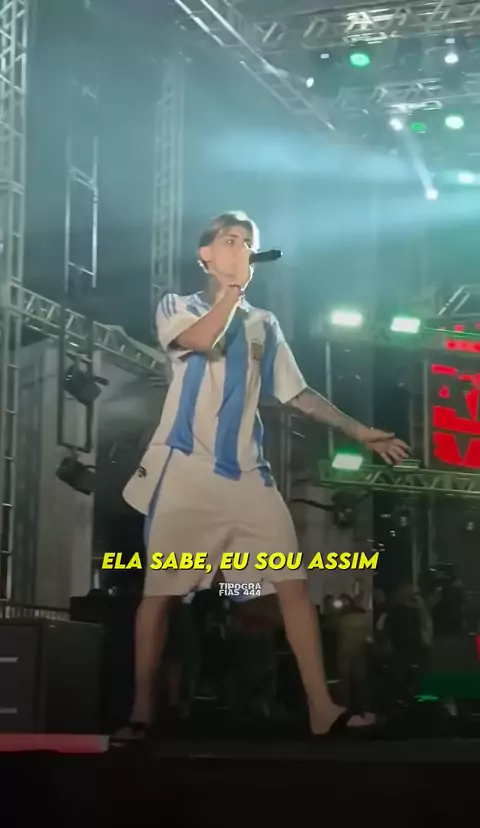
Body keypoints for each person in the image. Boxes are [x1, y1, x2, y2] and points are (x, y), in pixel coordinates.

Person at [115, 210, 408, 743]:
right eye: (230, 240)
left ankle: (322, 708)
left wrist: (357, 429)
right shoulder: (177, 307)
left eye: (247, 242)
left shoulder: (264, 324)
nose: (240, 248)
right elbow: (201, 340)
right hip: (185, 474)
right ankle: (141, 710)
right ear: (205, 254)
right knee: (161, 593)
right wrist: (230, 293)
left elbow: (296, 393)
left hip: (250, 477)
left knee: (291, 586)